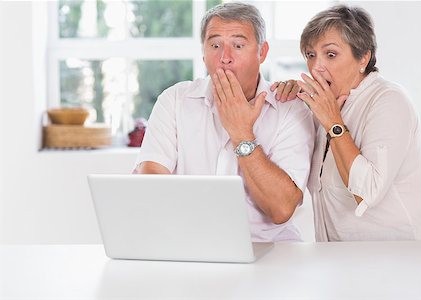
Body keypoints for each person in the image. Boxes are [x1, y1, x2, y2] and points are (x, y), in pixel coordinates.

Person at [134, 2, 315, 242]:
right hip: (190, 246)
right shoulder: (175, 100)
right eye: (215, 45)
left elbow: (281, 209)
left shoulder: (290, 108)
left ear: (262, 52)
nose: (224, 58)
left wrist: (242, 134)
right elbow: (151, 180)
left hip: (268, 250)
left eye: (238, 45)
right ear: (203, 52)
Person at [283, 4, 421, 241]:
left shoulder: (389, 100)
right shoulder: (323, 106)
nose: (316, 67)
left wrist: (334, 122)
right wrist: (286, 100)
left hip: (398, 260)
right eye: (311, 55)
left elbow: (367, 193)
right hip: (340, 262)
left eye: (330, 54)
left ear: (363, 57)